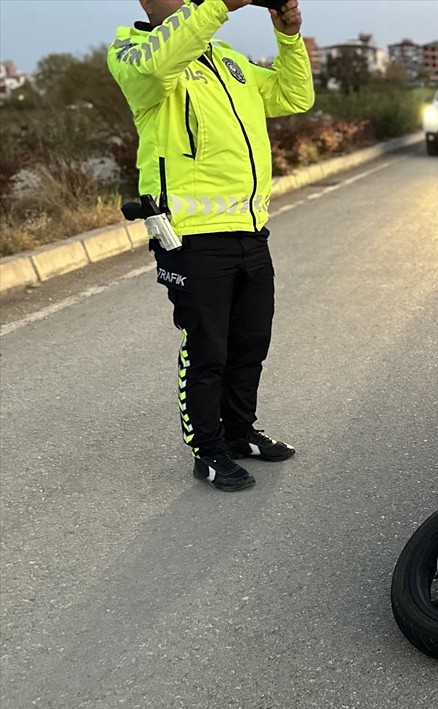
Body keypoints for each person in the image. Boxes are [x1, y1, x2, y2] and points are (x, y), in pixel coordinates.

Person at [108, 0, 314, 492]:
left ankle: (240, 434)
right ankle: (209, 452)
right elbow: (157, 68)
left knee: (250, 343)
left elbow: (294, 96)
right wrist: (218, 5)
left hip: (249, 229)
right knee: (206, 350)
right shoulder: (133, 53)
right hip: (191, 238)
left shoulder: (227, 60)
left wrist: (287, 37)